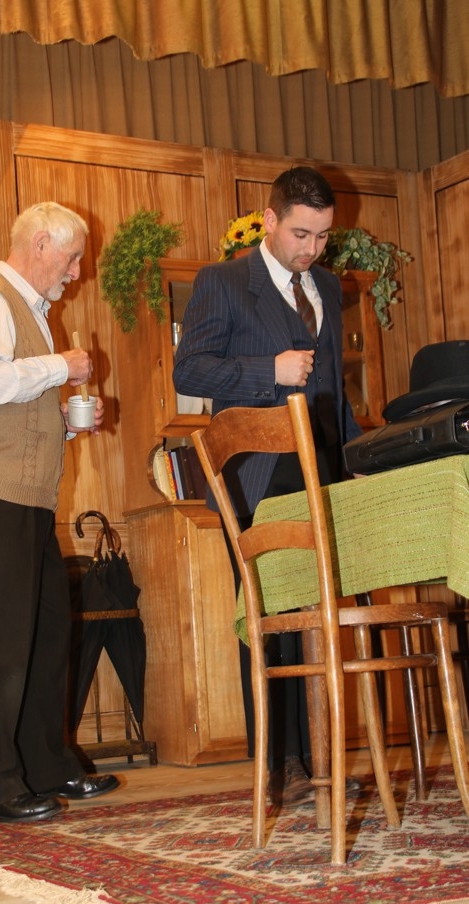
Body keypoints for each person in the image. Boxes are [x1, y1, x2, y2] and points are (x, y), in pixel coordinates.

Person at [173, 166, 362, 804]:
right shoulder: (224, 281)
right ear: (271, 219)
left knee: (319, 616)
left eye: (323, 236)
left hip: (324, 471)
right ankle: (277, 768)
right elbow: (190, 370)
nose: (312, 249)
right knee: (270, 619)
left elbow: (334, 387)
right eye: (301, 234)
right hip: (258, 475)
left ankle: (321, 757)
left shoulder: (327, 286)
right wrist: (268, 371)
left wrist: (357, 458)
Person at [0, 201, 119, 824]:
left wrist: (66, 425)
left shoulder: (35, 314)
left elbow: (11, 406)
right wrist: (60, 366)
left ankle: (45, 766)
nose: (75, 272)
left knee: (44, 636)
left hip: (28, 498)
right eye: (71, 258)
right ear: (40, 243)